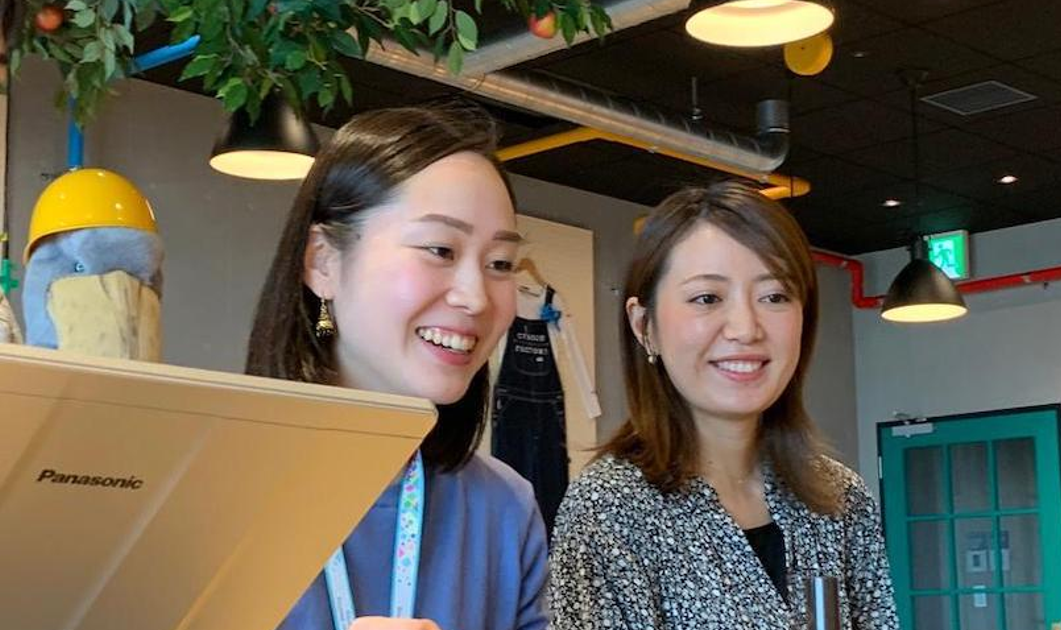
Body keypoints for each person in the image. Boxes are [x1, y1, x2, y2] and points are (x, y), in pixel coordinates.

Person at [246, 104, 547, 630]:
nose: (476, 296)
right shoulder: (202, 490)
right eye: (440, 249)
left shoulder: (505, 508)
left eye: (499, 263)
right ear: (323, 261)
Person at [548, 181, 899, 629]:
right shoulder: (609, 508)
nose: (745, 328)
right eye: (707, 298)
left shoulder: (840, 500)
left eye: (774, 297)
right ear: (644, 325)